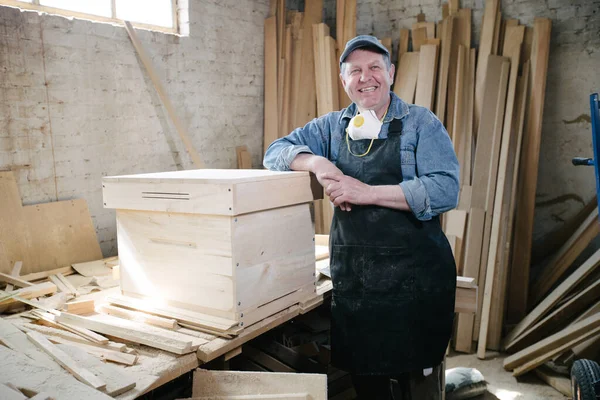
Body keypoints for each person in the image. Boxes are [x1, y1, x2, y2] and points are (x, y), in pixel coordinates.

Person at [263, 35, 459, 400]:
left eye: (374, 67)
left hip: (415, 283)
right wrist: (316, 162)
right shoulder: (332, 128)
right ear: (344, 81)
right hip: (358, 283)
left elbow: (446, 189)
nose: (365, 77)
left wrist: (365, 193)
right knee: (367, 384)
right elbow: (275, 152)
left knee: (418, 386)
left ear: (391, 73)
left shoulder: (420, 123)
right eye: (355, 71)